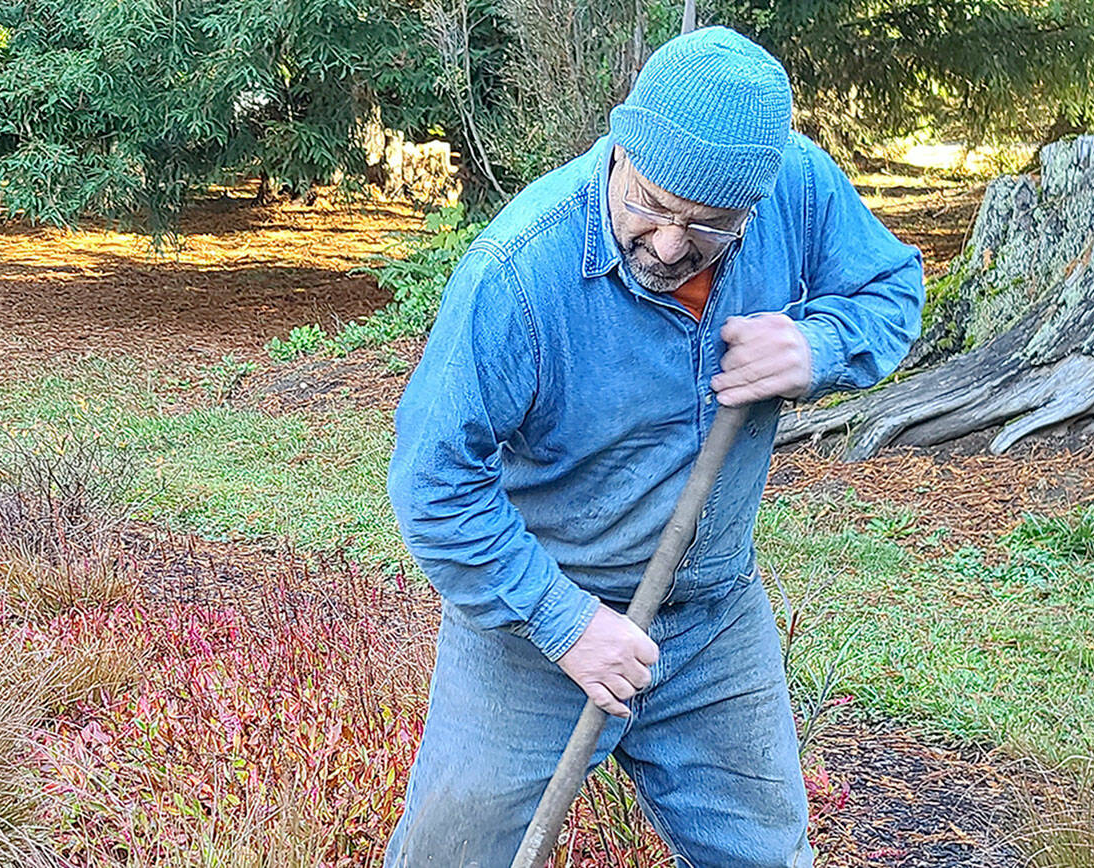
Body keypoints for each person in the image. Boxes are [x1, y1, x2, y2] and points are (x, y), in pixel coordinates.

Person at [384, 26, 923, 868]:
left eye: (708, 225)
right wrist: (566, 625)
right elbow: (433, 485)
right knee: (453, 855)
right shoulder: (520, 272)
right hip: (537, 625)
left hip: (712, 615)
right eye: (652, 205)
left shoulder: (797, 185)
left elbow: (890, 289)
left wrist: (819, 347)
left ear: (757, 198)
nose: (671, 245)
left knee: (768, 858)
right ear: (620, 144)